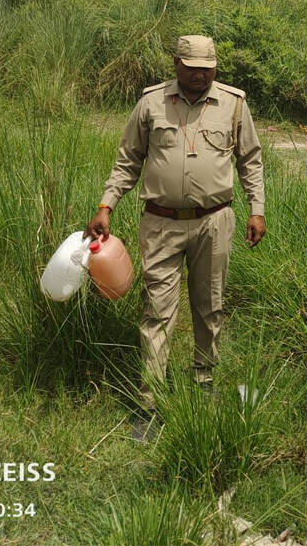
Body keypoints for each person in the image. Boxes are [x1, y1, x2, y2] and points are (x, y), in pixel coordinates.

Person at [86, 35, 265, 432]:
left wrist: (257, 210)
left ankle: (203, 381)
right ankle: (149, 403)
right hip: (160, 223)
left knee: (210, 305)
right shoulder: (151, 103)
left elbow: (250, 160)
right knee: (157, 311)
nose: (200, 75)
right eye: (192, 68)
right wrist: (106, 205)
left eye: (207, 68)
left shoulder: (234, 104)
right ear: (176, 64)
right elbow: (127, 160)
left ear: (215, 66)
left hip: (214, 223)